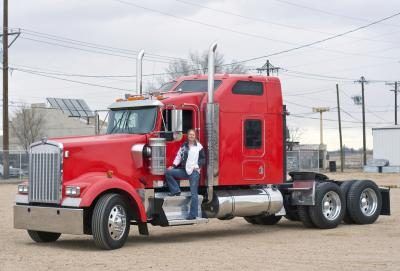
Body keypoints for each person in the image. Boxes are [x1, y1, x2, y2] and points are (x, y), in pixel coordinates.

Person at [165, 129, 206, 220]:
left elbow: (203, 159)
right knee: (168, 172)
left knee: (193, 194)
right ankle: (175, 190)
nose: (191, 136)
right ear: (187, 136)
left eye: (193, 135)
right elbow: (178, 156)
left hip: (194, 172)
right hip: (184, 170)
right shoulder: (184, 146)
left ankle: (193, 214)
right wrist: (173, 166)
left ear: (195, 136)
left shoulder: (199, 146)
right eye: (190, 134)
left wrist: (197, 166)